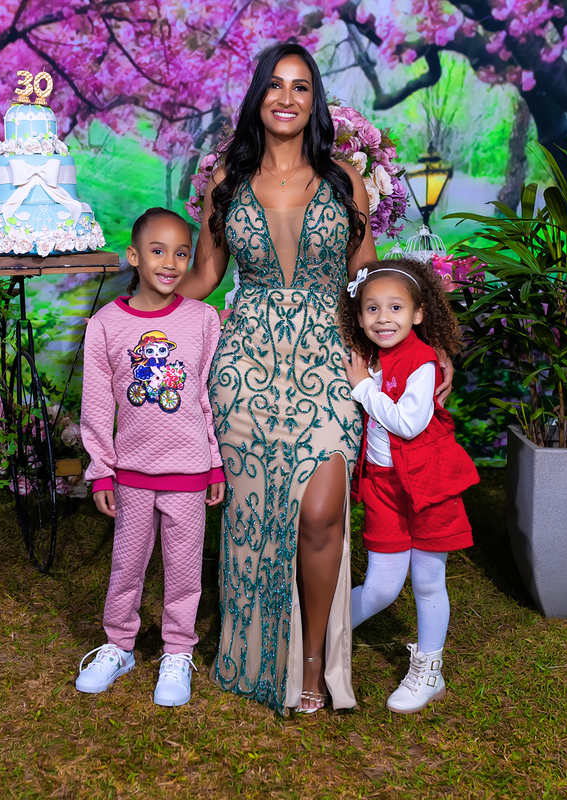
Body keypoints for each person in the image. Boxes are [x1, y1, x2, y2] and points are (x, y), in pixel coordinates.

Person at [178, 42, 377, 714]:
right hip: (246, 367)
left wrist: (421, 344)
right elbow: (207, 276)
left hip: (329, 360)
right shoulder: (227, 180)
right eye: (275, 85)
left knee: (320, 515)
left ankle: (314, 663)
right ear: (258, 96)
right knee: (254, 520)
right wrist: (139, 311)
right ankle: (255, 656)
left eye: (301, 86)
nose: (287, 98)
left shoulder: (344, 179)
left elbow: (367, 280)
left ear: (314, 102)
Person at [77, 207, 226, 707]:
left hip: (188, 471)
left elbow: (206, 397)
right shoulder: (105, 325)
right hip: (132, 475)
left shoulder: (202, 320)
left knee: (184, 571)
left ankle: (178, 651)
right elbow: (97, 405)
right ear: (134, 256)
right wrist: (101, 472)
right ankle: (119, 645)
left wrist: (214, 462)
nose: (170, 263)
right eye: (158, 251)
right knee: (126, 566)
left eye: (182, 253)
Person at [340, 258, 480, 714]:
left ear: (418, 314)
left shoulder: (422, 362)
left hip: (428, 485)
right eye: (372, 308)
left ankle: (429, 670)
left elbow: (407, 424)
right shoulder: (370, 358)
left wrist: (363, 388)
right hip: (385, 486)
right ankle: (322, 636)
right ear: (359, 315)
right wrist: (365, 376)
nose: (384, 318)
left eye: (396, 308)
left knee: (427, 580)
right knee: (381, 588)